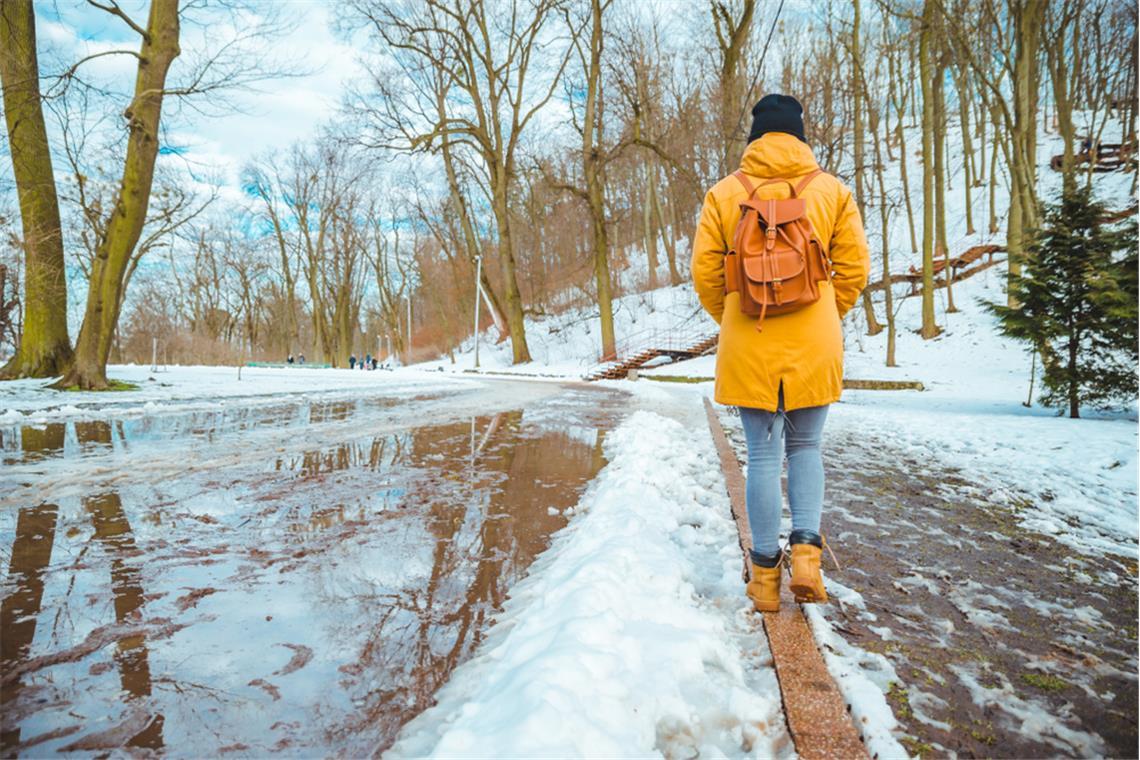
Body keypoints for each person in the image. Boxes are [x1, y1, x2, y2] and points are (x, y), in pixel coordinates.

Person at [691, 94, 869, 613]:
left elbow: (705, 273)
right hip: (816, 335)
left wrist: (732, 315)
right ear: (799, 136)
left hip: (749, 333)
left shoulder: (724, 193)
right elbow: (854, 268)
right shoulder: (832, 190)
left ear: (755, 138)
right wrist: (825, 314)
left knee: (763, 455)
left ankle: (765, 581)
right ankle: (808, 558)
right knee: (807, 446)